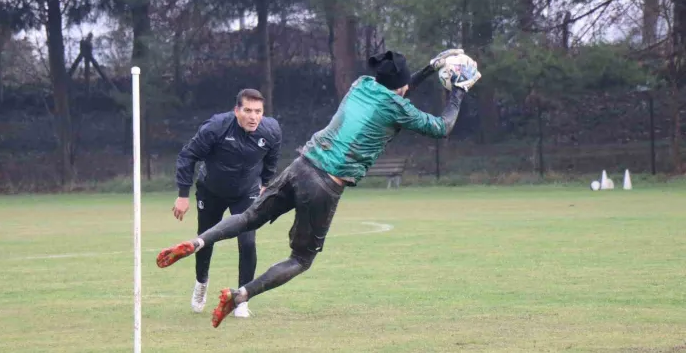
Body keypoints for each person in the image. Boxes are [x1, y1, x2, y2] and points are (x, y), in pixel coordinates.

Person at [157, 49, 481, 327]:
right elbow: (442, 127)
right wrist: (459, 90)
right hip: (325, 184)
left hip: (302, 163)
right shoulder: (398, 107)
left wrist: (431, 67)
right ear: (402, 85)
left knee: (248, 217)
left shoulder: (362, 85)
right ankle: (240, 295)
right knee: (300, 259)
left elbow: (398, 88)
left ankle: (199, 241)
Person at [172, 88, 282, 318]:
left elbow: (272, 157)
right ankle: (201, 283)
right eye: (248, 110)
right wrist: (183, 194)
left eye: (258, 111)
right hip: (211, 191)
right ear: (236, 111)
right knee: (205, 240)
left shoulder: (270, 131)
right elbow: (187, 155)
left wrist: (266, 182)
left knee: (248, 242)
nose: (253, 116)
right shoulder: (216, 127)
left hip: (246, 193)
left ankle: (242, 298)